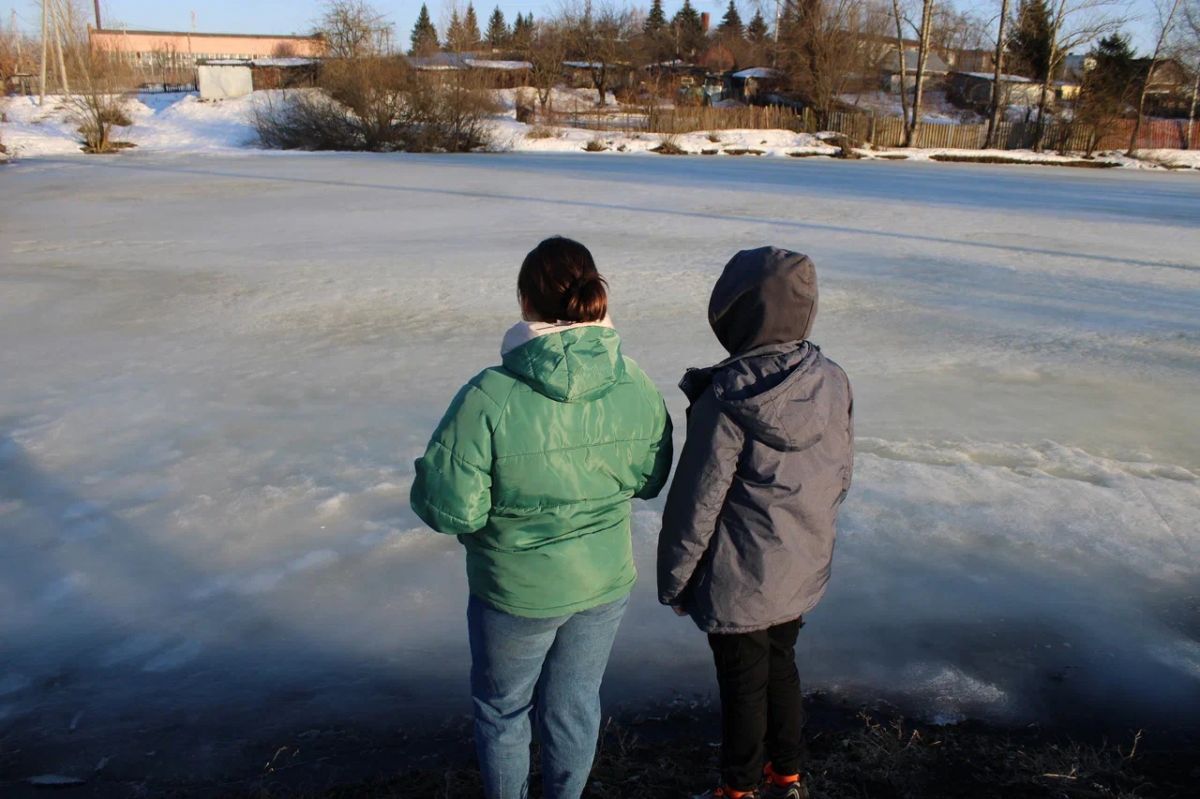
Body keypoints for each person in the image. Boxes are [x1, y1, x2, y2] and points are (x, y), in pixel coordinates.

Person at [410, 236, 673, 799]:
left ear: (525, 302)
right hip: (603, 580)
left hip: (516, 591)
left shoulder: (489, 395)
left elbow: (452, 507)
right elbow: (649, 480)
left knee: (504, 709)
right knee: (574, 703)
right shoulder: (636, 382)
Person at [657, 247, 854, 799]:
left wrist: (677, 579)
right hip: (799, 562)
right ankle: (786, 775)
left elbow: (698, 500)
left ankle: (739, 789)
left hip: (740, 574)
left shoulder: (727, 396)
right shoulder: (831, 379)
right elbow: (840, 472)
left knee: (743, 682)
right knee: (781, 663)